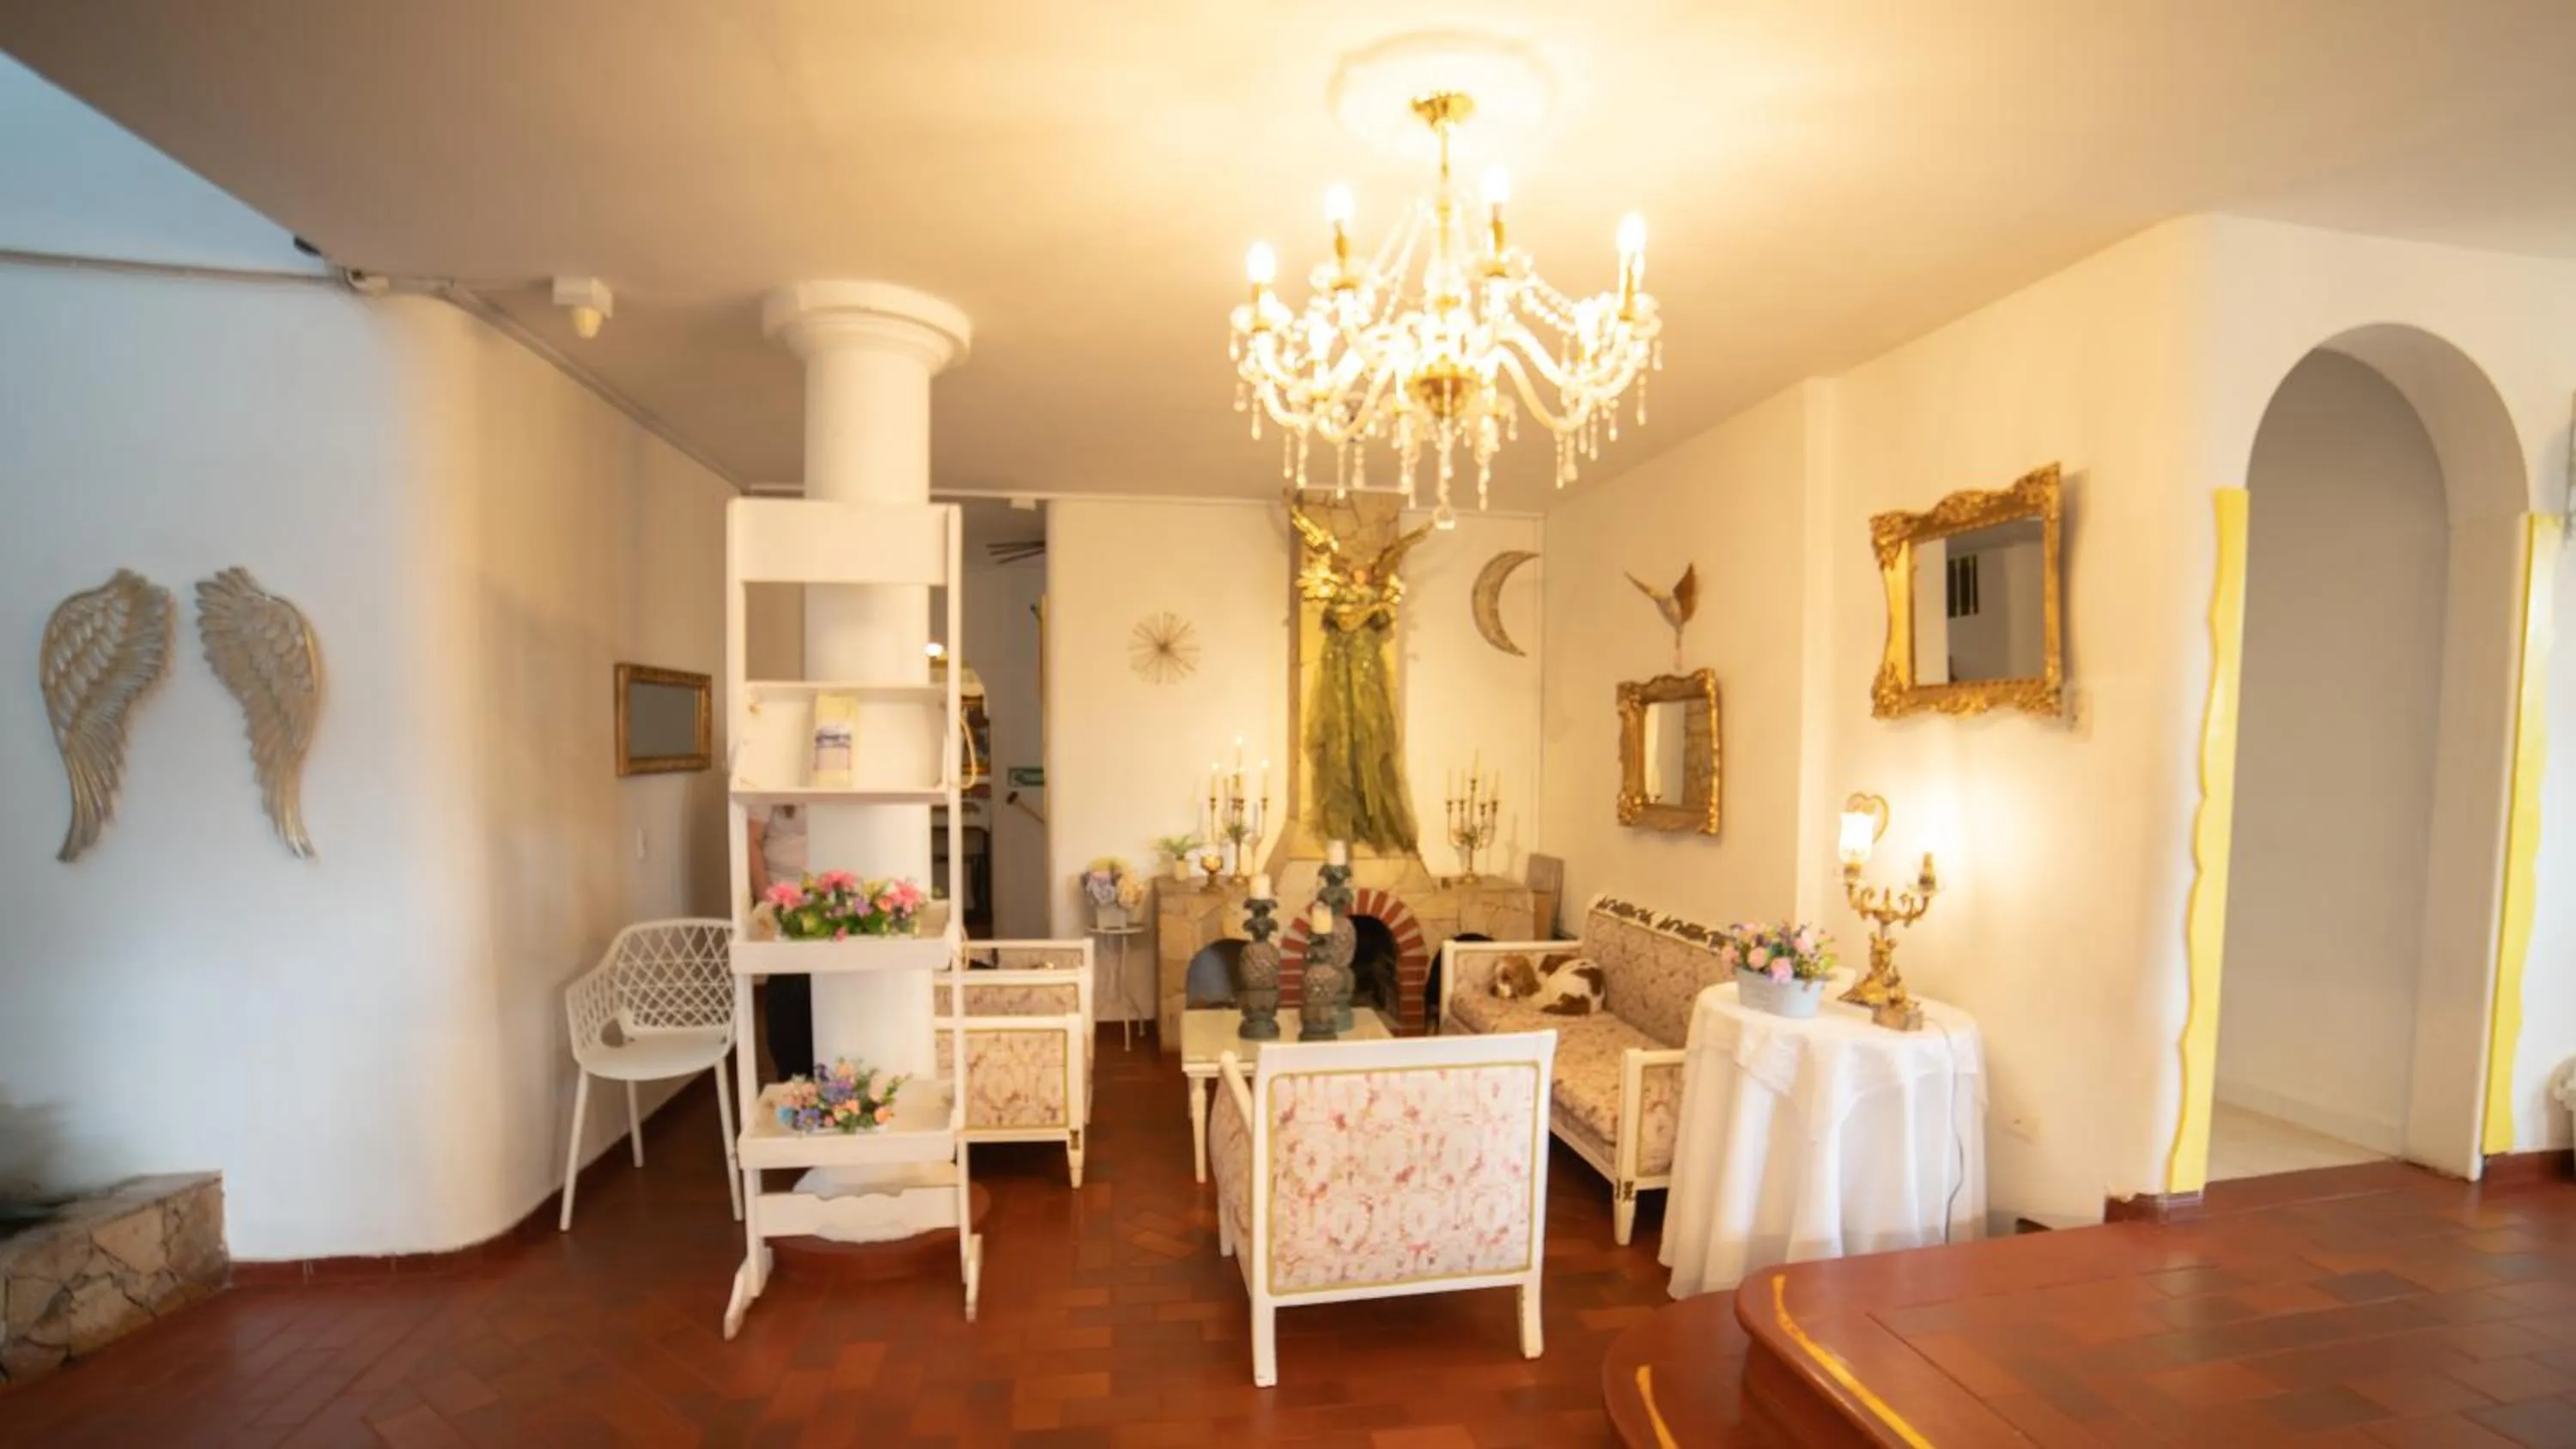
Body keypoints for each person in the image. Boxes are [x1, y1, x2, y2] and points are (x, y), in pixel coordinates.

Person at [746, 804, 811, 1076]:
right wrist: (766, 898)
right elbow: (751, 840)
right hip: (783, 892)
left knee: (820, 983)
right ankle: (791, 1074)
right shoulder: (769, 779)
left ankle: (822, 1073)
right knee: (789, 980)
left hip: (831, 889)